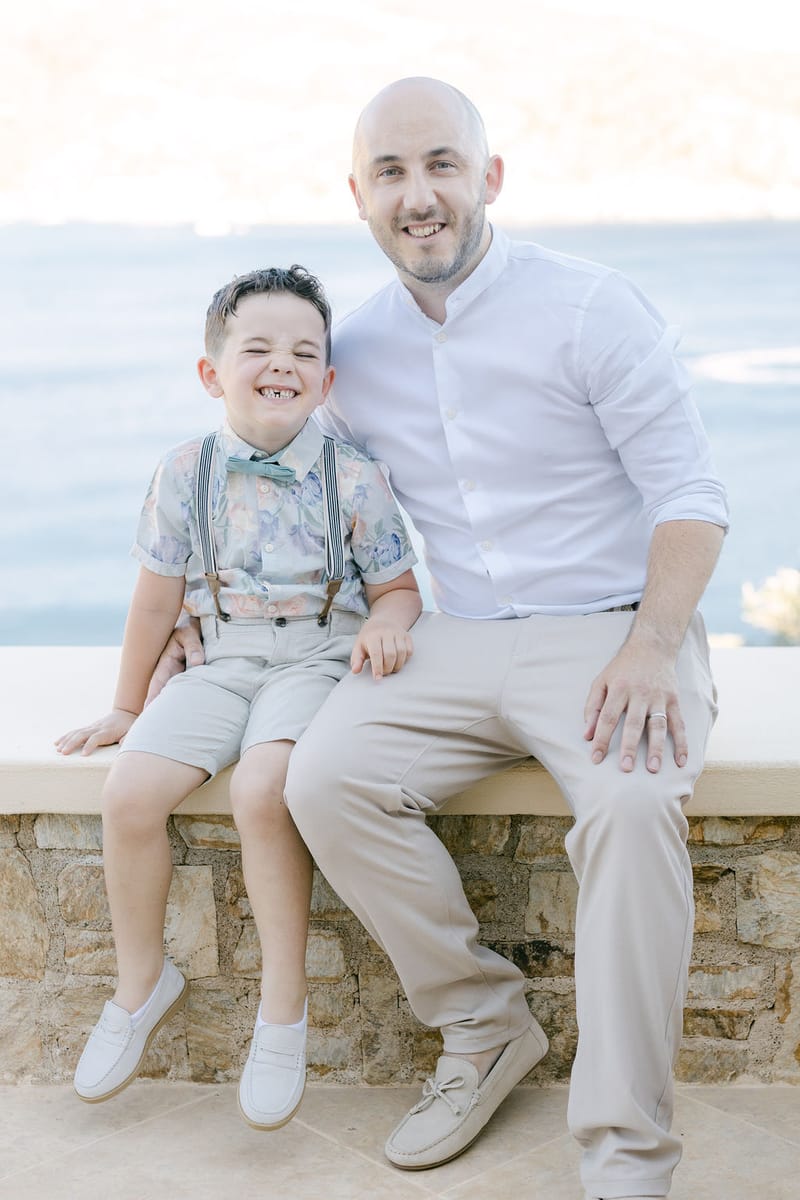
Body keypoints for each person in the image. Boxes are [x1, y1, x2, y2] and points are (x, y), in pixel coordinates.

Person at [159, 80, 728, 1199]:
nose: (418, 196)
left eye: (440, 166)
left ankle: (622, 1151)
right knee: (322, 779)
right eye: (390, 174)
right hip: (454, 634)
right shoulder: (351, 353)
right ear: (359, 199)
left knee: (626, 807)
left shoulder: (588, 308)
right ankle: (480, 1028)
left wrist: (654, 645)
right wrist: (198, 613)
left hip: (614, 628)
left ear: (487, 179)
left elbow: (691, 495)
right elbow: (289, 487)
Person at [55, 265, 421, 1131]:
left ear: (326, 381)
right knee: (130, 792)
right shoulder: (184, 473)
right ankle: (143, 981)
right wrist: (127, 706)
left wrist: (389, 624)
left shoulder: (355, 476)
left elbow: (400, 588)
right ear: (212, 371)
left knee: (265, 790)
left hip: (320, 662)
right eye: (256, 347)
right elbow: (155, 598)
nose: (280, 363)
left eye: (303, 351)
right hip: (221, 663)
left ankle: (282, 1009)